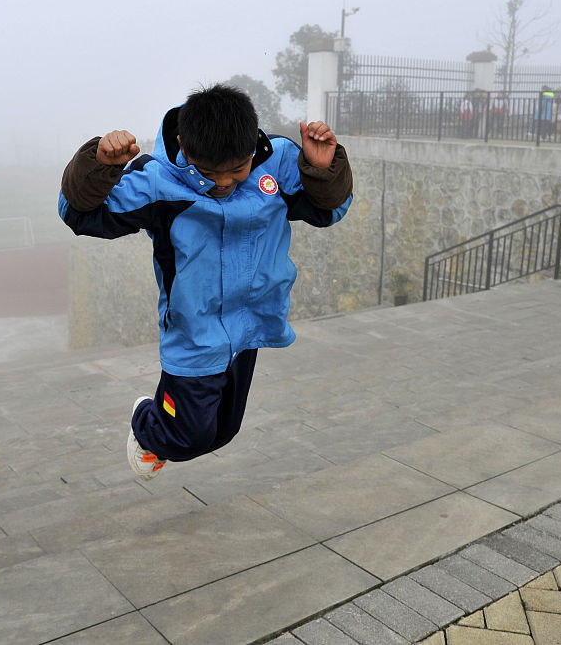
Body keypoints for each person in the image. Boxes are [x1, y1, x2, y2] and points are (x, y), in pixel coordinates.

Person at [58, 84, 352, 478]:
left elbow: (328, 211)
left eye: (237, 169)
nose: (224, 182)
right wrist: (100, 164)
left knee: (222, 432)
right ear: (183, 144)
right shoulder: (158, 181)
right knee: (188, 438)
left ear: (254, 147)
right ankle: (148, 420)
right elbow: (79, 214)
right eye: (209, 172)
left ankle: (168, 419)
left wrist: (320, 168)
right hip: (194, 332)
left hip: (250, 327)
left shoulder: (278, 164)